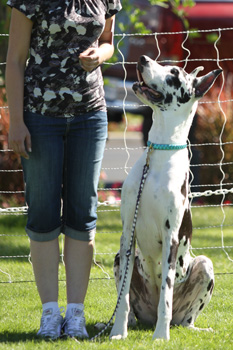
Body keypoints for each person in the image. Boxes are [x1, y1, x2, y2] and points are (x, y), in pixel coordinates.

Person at [6, 0, 121, 340]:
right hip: (40, 118)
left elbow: (109, 41)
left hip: (91, 117)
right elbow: (14, 60)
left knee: (82, 213)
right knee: (42, 214)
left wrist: (100, 55)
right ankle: (48, 314)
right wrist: (16, 121)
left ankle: (75, 315)